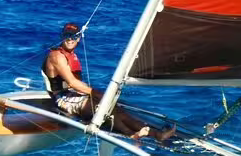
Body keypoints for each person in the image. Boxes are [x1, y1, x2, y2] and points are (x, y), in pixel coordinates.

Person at [42, 22, 175, 141]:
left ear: (79, 39)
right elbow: (72, 83)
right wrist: (96, 93)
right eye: (68, 35)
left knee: (115, 107)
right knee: (103, 107)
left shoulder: (71, 54)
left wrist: (98, 95)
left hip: (75, 95)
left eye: (75, 36)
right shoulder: (56, 56)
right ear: (62, 36)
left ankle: (154, 133)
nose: (71, 39)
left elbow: (78, 85)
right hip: (62, 98)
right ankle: (131, 135)